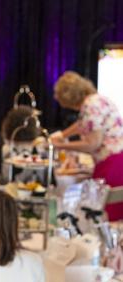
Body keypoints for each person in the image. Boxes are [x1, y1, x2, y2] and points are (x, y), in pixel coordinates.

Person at [51, 71, 123, 220]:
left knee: (104, 217)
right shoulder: (97, 100)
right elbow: (82, 124)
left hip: (111, 165)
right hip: (118, 161)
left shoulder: (90, 106)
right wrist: (62, 135)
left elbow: (92, 144)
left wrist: (61, 145)